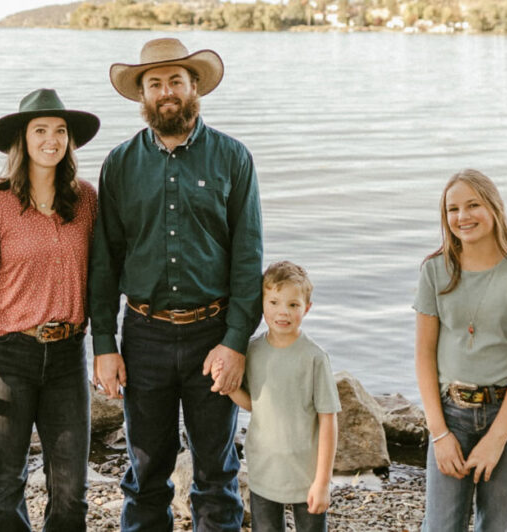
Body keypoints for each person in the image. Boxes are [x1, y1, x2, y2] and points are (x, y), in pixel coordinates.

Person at [90, 38, 264, 531]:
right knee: (145, 472)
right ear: (143, 95)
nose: (166, 91)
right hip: (143, 335)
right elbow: (104, 262)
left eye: (175, 81)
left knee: (217, 472)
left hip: (213, 334)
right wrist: (104, 343)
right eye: (155, 83)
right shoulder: (120, 164)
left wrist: (236, 343)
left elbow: (248, 259)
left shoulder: (233, 157)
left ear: (194, 88)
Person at [0, 88, 100, 531]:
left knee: (71, 489)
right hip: (8, 356)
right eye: (40, 130)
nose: (51, 140)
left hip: (67, 357)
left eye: (60, 131)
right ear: (22, 140)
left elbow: (104, 276)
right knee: (4, 483)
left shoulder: (86, 201)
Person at [414, 169, 507, 531]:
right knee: (441, 525)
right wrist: (439, 434)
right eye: (453, 209)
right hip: (451, 414)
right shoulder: (434, 270)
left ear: (494, 208)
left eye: (473, 205)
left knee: (495, 525)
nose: (462, 217)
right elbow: (424, 357)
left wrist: (496, 440)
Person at [219, 261, 340, 532]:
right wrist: (231, 389)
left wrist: (322, 481)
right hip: (264, 471)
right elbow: (255, 406)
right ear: (262, 303)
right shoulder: (252, 351)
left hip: (305, 475)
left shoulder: (314, 358)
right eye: (274, 302)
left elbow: (328, 421)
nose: (282, 312)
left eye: (293, 305)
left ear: (306, 308)